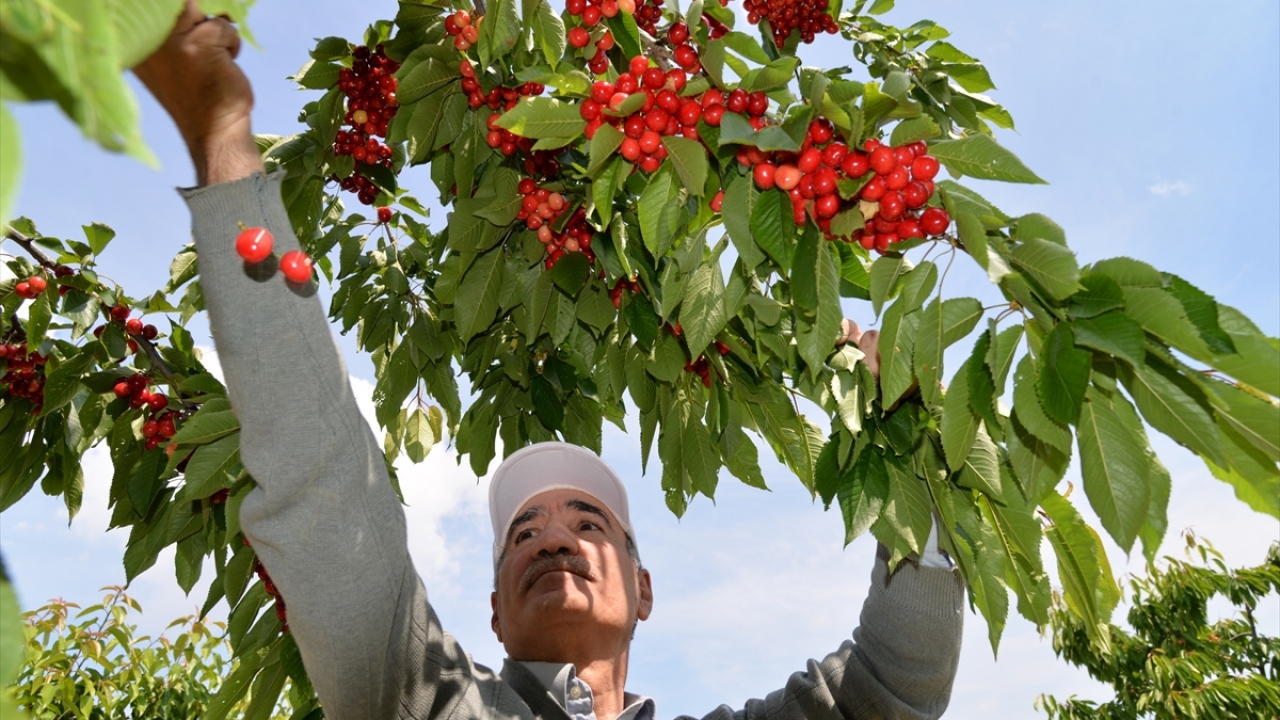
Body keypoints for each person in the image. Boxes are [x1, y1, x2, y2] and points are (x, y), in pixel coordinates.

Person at [134, 4, 964, 718]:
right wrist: (224, 148)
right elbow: (321, 482)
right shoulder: (424, 700)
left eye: (588, 523)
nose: (553, 539)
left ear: (645, 591)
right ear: (493, 612)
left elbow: (892, 690)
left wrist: (911, 453)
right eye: (524, 532)